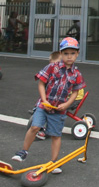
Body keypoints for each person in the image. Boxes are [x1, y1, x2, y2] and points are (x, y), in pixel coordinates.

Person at [12, 37, 86, 173]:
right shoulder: (53, 67)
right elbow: (41, 82)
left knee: (56, 135)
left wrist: (67, 104)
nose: (69, 57)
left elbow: (75, 92)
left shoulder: (76, 74)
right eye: (66, 53)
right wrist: (44, 100)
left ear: (77, 53)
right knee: (35, 126)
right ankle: (23, 152)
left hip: (59, 110)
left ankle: (53, 162)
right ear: (61, 53)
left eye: (72, 53)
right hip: (44, 105)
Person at [34, 51, 61, 141]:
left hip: (56, 101)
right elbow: (41, 83)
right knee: (41, 110)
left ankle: (47, 129)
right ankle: (40, 128)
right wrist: (44, 99)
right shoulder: (49, 70)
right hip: (47, 99)